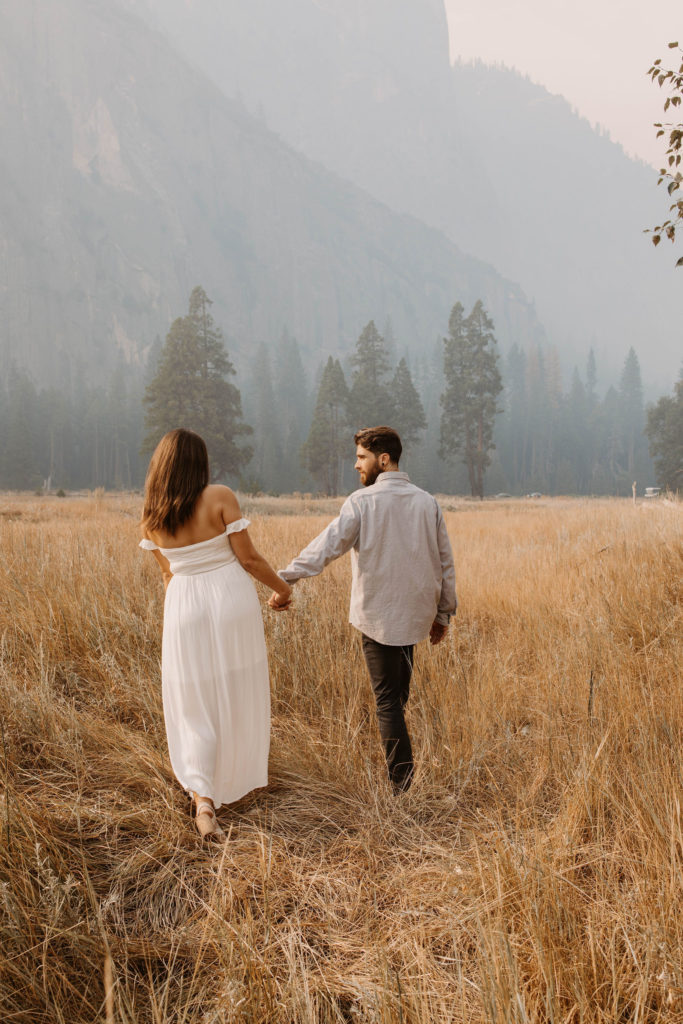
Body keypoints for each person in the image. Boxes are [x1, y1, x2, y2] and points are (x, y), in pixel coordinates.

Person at [270, 426, 456, 793]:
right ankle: (402, 774)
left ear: (383, 459)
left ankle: (402, 788)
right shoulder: (427, 502)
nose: (356, 465)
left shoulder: (362, 502)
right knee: (396, 700)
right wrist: (442, 614)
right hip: (415, 617)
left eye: (361, 457)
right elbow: (445, 563)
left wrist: (284, 579)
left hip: (378, 618)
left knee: (388, 703)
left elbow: (326, 547)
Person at [139, 428, 291, 839]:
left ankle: (204, 800)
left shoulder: (152, 516)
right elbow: (250, 559)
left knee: (193, 701)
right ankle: (233, 777)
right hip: (229, 603)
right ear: (199, 463)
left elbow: (169, 576)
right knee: (235, 689)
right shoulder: (220, 496)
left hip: (183, 608)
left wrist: (177, 626)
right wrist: (283, 589)